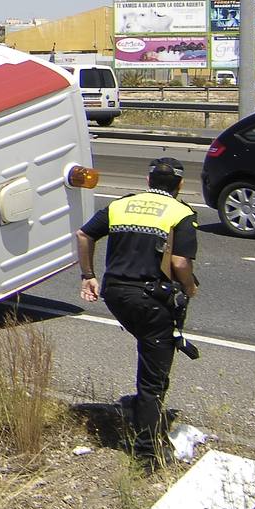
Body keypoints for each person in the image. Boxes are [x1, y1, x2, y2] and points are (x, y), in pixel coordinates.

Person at [74, 156, 200, 470]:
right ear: (180, 185)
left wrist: (87, 275)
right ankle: (147, 453)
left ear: (148, 181)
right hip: (149, 298)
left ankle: (143, 409)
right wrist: (190, 288)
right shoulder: (181, 213)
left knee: (147, 342)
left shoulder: (121, 205)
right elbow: (181, 263)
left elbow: (84, 234)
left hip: (116, 294)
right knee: (154, 376)